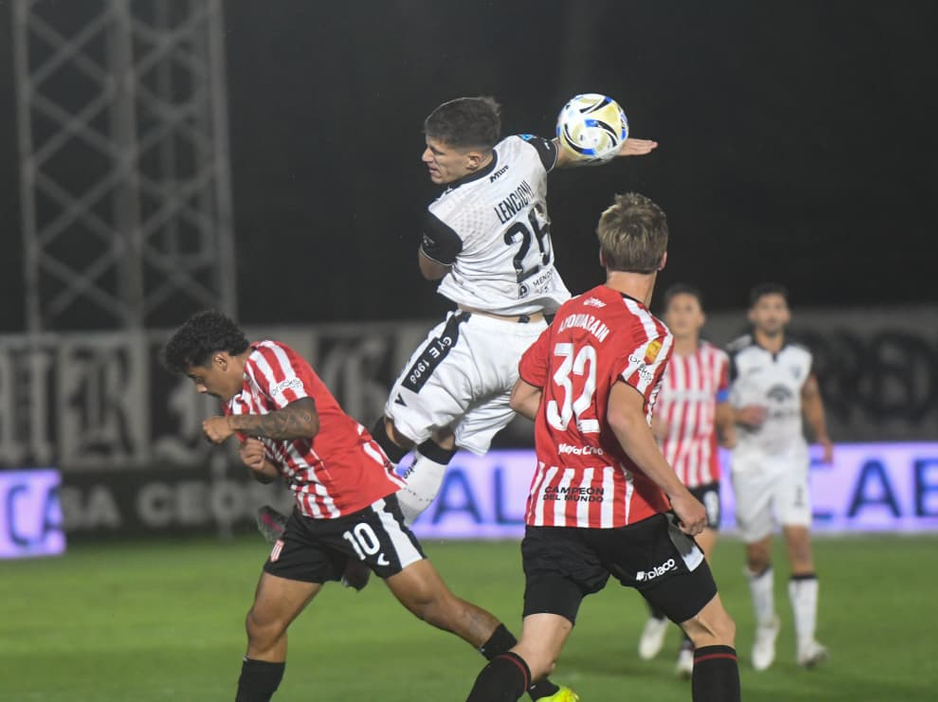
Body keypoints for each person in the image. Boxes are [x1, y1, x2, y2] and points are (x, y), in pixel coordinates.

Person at [161, 310, 576, 702]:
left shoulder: (268, 360)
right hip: (312, 513)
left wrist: (236, 425)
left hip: (357, 499)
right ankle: (348, 565)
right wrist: (259, 465)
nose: (199, 388)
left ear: (220, 360)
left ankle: (544, 690)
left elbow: (307, 421)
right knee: (262, 625)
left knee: (437, 608)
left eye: (198, 377)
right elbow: (272, 468)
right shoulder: (235, 403)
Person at [465, 193, 741, 702]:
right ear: (662, 259)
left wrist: (573, 424)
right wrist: (679, 493)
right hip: (623, 516)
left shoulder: (569, 314)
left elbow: (524, 396)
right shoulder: (648, 333)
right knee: (713, 630)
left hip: (551, 510)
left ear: (602, 257)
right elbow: (622, 414)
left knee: (535, 654)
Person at [373, 96, 657, 525]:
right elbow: (563, 152)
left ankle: (318, 532)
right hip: (537, 342)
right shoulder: (521, 153)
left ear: (472, 159)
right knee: (443, 438)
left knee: (392, 433)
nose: (425, 157)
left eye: (437, 151)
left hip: (478, 339)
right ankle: (380, 538)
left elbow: (430, 272)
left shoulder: (447, 214)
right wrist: (604, 147)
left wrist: (434, 244)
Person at [727, 283, 833, 671]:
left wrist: (821, 435)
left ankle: (807, 643)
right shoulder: (736, 356)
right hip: (750, 464)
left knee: (800, 543)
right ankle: (767, 624)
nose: (772, 313)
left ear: (786, 315)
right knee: (757, 554)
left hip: (791, 461)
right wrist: (737, 417)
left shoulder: (800, 357)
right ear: (754, 314)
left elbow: (810, 395)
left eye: (778, 307)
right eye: (765, 307)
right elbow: (717, 402)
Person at [636, 284, 733, 679]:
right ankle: (658, 613)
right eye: (674, 308)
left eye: (688, 308)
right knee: (647, 564)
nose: (681, 315)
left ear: (701, 317)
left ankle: (688, 648)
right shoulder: (654, 357)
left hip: (704, 477)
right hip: (662, 477)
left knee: (700, 563)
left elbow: (724, 406)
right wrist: (649, 421)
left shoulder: (717, 361)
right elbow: (631, 405)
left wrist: (730, 428)